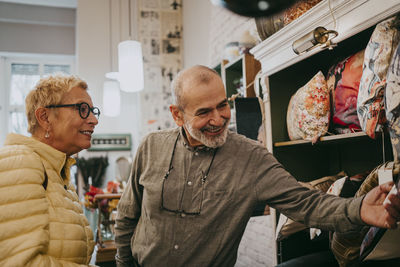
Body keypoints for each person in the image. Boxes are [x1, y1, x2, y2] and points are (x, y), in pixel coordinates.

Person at [115, 65, 400, 267]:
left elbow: (307, 204)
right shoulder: (151, 147)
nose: (218, 119)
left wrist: (359, 208)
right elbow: (128, 217)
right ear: (177, 115)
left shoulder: (250, 158)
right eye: (203, 112)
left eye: (222, 105)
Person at [0, 74, 100, 266]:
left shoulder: (60, 176)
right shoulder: (21, 162)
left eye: (93, 111)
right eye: (83, 109)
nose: (94, 120)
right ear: (45, 118)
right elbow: (20, 262)